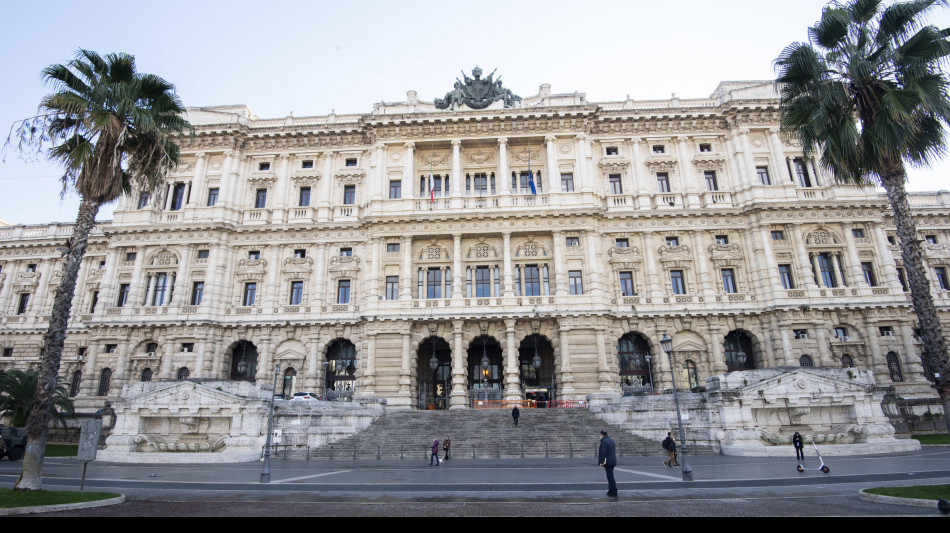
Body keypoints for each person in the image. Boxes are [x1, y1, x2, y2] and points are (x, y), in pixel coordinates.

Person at [598, 430, 618, 499]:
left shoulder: (604, 442)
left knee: (610, 477)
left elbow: (603, 452)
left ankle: (613, 491)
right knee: (611, 476)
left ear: (602, 435)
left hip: (608, 462)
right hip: (612, 460)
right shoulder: (611, 441)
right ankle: (611, 490)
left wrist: (602, 462)